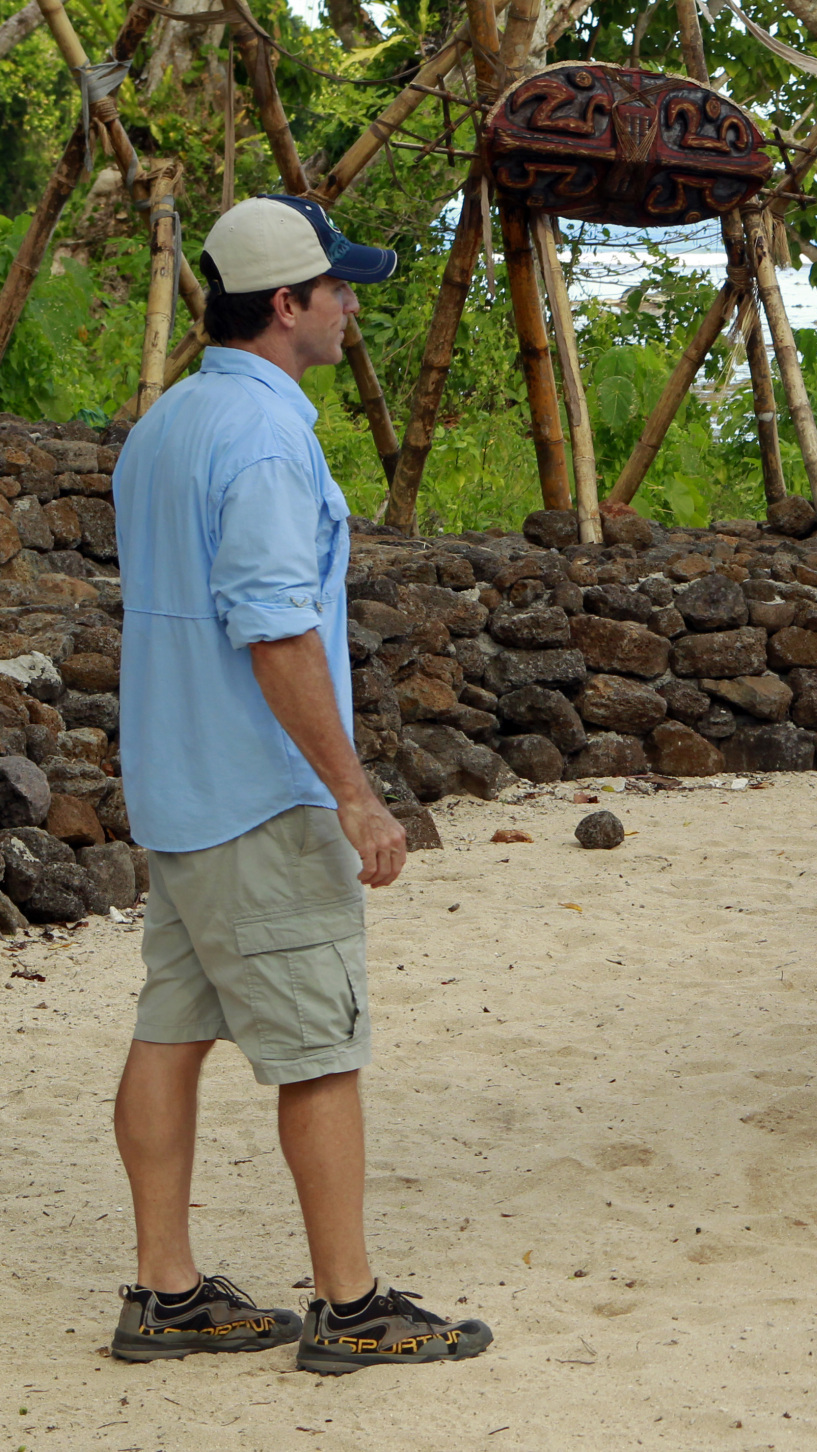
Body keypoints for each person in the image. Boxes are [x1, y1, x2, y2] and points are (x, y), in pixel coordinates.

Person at [108, 195, 492, 1376]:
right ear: (287, 305)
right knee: (321, 1045)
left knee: (172, 1030)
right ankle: (350, 1304)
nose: (351, 309)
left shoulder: (166, 423)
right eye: (339, 290)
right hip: (259, 795)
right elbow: (275, 630)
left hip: (177, 785)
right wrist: (354, 793)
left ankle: (166, 1294)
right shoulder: (269, 442)